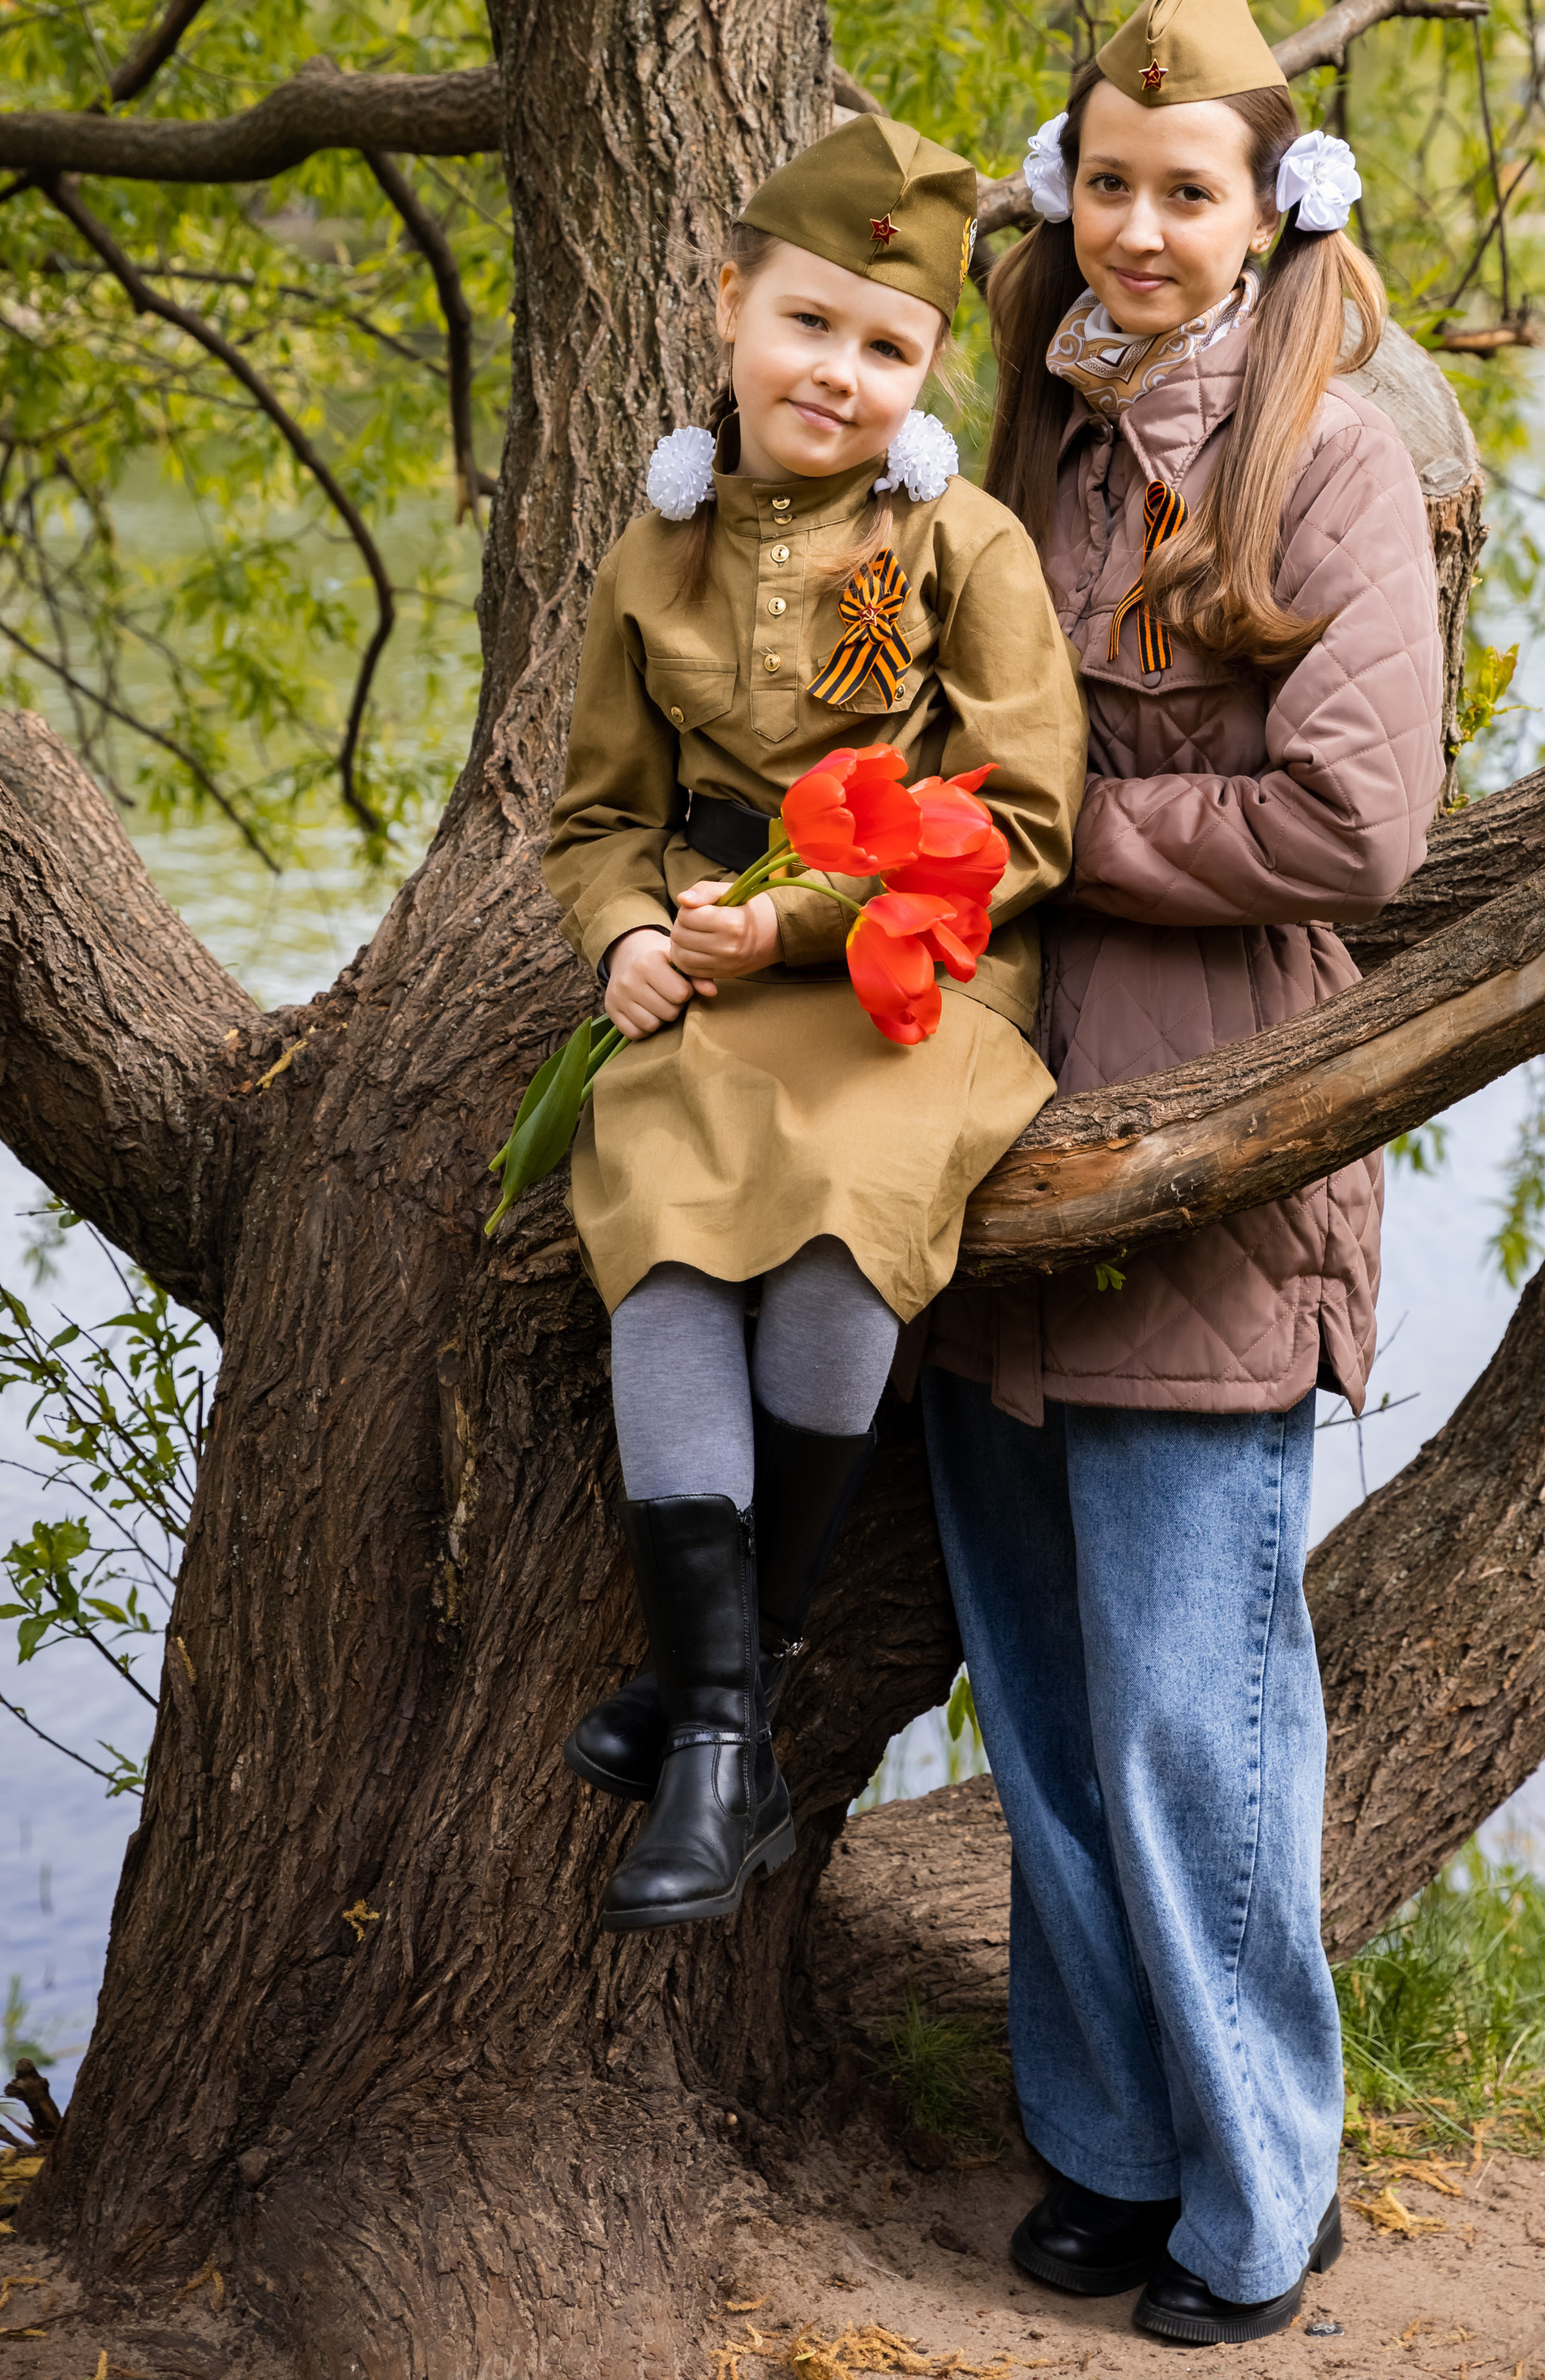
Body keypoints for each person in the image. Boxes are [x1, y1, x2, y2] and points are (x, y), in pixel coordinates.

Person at [917, 0, 1444, 2345]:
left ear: (1269, 207)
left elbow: (1355, 815)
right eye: (1109, 184)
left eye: (1189, 191)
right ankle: (1115, 2147)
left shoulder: (1326, 449)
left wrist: (1055, 829)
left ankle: (1262, 2194)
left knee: (1185, 1722)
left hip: (1214, 1145)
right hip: (987, 1153)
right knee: (1037, 1708)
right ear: (1070, 194)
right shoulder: (1019, 434)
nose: (1142, 227)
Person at [543, 111, 1087, 1938]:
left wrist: (804, 919)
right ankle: (720, 1739)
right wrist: (626, 935)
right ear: (726, 306)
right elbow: (598, 819)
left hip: (905, 981)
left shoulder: (961, 542)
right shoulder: (653, 555)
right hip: (709, 982)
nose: (835, 374)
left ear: (928, 373)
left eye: (885, 346)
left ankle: (716, 1695)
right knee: (670, 1234)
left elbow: (1020, 820)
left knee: (844, 1230)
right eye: (807, 325)